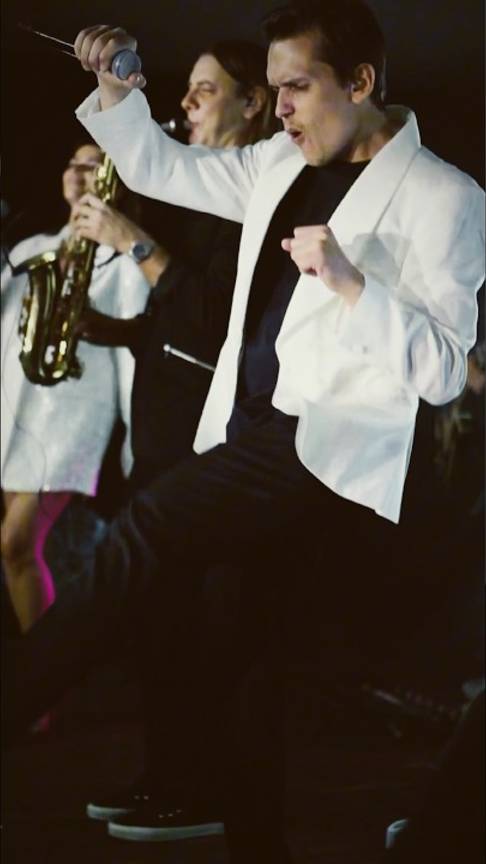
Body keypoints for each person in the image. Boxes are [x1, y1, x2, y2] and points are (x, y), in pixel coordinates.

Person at [5, 2, 484, 861]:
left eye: (297, 87)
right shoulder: (278, 160)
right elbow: (160, 168)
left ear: (361, 82)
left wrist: (351, 284)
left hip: (317, 444)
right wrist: (118, 88)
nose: (282, 108)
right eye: (274, 89)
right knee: (246, 649)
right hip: (241, 425)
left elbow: (446, 372)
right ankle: (260, 845)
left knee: (145, 530)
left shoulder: (447, 196)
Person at [68, 40, 278, 845]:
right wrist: (112, 330)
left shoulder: (257, 199)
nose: (185, 105)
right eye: (185, 90)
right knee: (158, 620)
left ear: (254, 104)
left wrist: (131, 239)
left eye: (204, 91)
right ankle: (166, 774)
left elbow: (214, 320)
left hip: (206, 440)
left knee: (197, 627)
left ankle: (200, 788)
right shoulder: (191, 195)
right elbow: (171, 322)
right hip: (157, 426)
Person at [0, 142, 151, 639]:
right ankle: (47, 661)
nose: (78, 171)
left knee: (16, 544)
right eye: (73, 162)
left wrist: (134, 442)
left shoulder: (123, 263)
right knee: (25, 552)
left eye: (93, 164)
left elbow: (135, 350)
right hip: (14, 412)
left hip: (71, 420)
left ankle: (42, 673)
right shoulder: (29, 250)